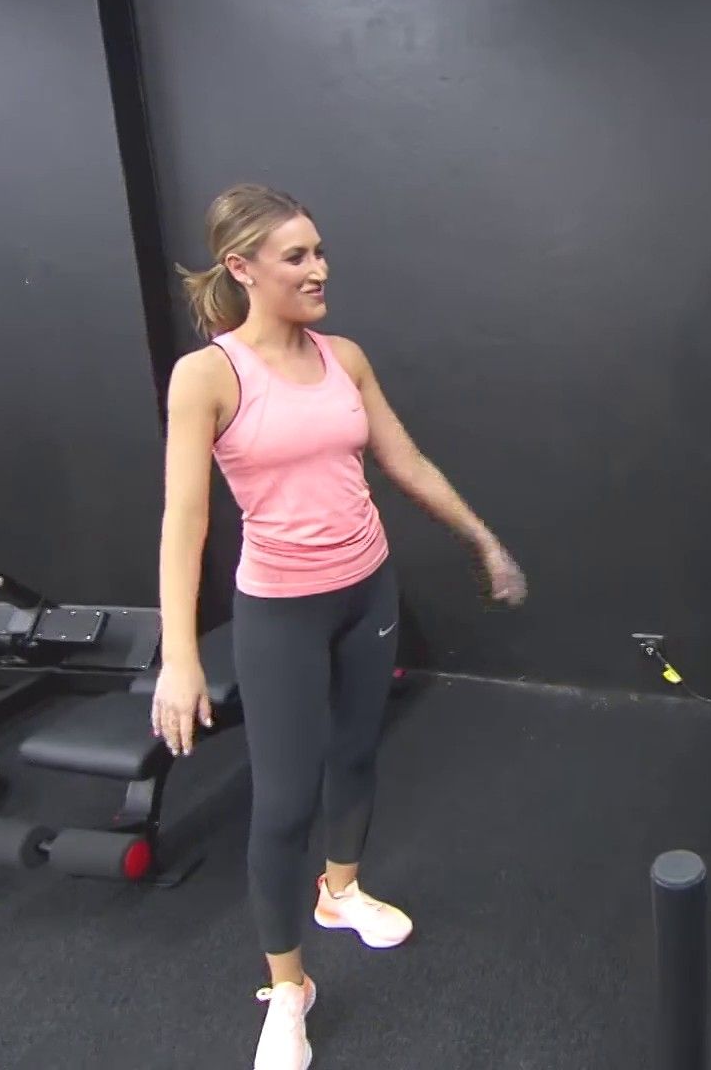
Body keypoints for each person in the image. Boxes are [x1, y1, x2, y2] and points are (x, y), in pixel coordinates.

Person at [152, 183, 528, 1069]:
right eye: (297, 256)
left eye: (319, 251)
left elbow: (405, 460)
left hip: (367, 591)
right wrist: (179, 656)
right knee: (284, 801)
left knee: (357, 753)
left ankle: (341, 891)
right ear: (242, 268)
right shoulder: (209, 376)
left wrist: (483, 540)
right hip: (280, 610)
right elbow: (184, 521)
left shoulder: (344, 358)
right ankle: (288, 989)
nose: (319, 268)